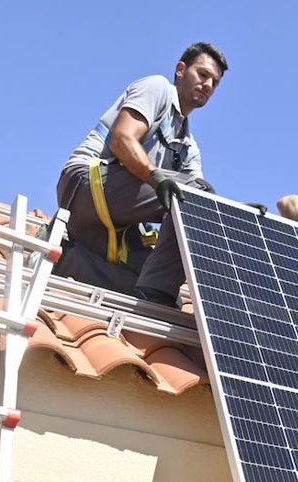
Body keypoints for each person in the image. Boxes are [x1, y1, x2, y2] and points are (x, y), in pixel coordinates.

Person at [55, 42, 228, 307]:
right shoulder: (157, 89)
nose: (207, 84)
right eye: (203, 74)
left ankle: (68, 261)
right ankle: (154, 293)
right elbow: (122, 139)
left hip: (109, 223)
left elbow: (198, 203)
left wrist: (227, 214)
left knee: (151, 283)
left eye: (214, 83)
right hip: (84, 184)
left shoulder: (189, 146)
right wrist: (156, 176)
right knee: (197, 195)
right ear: (181, 70)